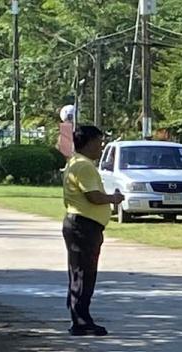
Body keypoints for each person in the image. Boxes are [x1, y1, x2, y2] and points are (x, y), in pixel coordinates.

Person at [61, 125, 124, 336]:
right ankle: (81, 321)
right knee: (83, 273)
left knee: (80, 272)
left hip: (81, 225)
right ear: (88, 143)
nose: (101, 147)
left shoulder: (76, 162)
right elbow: (93, 196)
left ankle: (80, 316)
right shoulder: (84, 166)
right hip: (83, 226)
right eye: (98, 142)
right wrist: (114, 198)